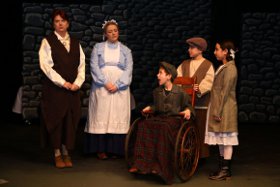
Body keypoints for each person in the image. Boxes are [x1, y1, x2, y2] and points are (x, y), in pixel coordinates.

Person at [128, 61, 195, 184]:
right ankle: (141, 164)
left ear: (169, 76)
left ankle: (160, 167)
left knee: (163, 128)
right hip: (160, 118)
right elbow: (156, 106)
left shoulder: (180, 93)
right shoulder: (157, 91)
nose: (157, 75)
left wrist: (187, 111)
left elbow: (189, 106)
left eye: (160, 73)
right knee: (143, 125)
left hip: (174, 120)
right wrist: (150, 108)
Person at [38, 9, 85, 168]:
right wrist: (63, 82)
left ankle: (66, 152)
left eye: (63, 21)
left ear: (68, 23)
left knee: (69, 122)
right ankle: (57, 153)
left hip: (72, 90)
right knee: (57, 121)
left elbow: (82, 66)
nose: (60, 24)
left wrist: (77, 83)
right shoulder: (48, 41)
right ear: (53, 24)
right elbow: (46, 67)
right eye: (57, 21)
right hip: (55, 90)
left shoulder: (76, 43)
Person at [84, 19, 133, 159]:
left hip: (120, 88)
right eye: (110, 31)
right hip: (102, 87)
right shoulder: (98, 48)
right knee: (102, 114)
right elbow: (94, 66)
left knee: (117, 114)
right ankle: (100, 148)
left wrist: (118, 84)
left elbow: (129, 69)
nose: (113, 33)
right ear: (105, 34)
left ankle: (116, 149)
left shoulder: (126, 50)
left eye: (115, 31)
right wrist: (105, 82)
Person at [205, 40, 238, 180]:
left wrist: (218, 112)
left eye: (217, 49)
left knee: (227, 139)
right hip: (220, 107)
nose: (215, 52)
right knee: (220, 139)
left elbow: (225, 92)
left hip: (225, 109)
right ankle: (222, 169)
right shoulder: (224, 66)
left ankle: (225, 170)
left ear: (225, 51)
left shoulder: (230, 68)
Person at [177, 37, 214, 160]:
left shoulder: (208, 65)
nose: (189, 50)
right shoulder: (184, 64)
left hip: (200, 104)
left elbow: (209, 81)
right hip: (186, 103)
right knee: (186, 128)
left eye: (192, 48)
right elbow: (177, 79)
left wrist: (199, 89)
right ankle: (187, 153)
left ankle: (200, 155)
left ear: (200, 49)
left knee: (199, 128)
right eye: (189, 47)